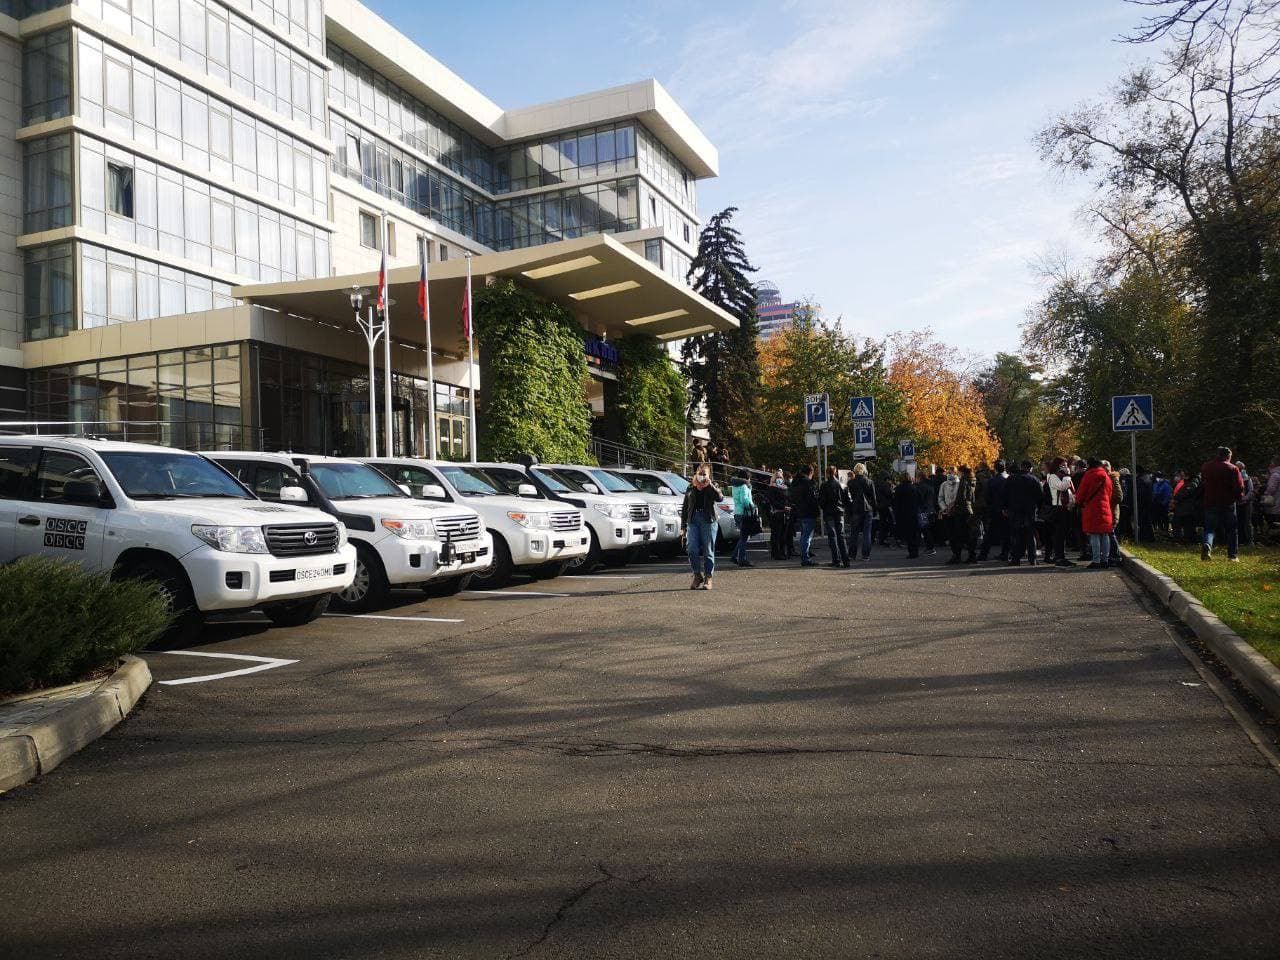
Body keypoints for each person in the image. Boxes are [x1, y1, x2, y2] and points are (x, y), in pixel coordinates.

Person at [681, 465, 722, 590]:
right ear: (696, 473)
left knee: (708, 550)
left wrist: (709, 485)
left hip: (708, 520)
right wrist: (683, 525)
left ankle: (708, 577)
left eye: (705, 474)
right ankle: (697, 575)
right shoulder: (691, 487)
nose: (702, 476)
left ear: (709, 475)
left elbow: (719, 497)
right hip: (693, 520)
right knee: (692, 548)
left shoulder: (713, 485)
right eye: (700, 473)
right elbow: (685, 507)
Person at [1200, 447, 1244, 562]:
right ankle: (1232, 556)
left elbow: (1203, 482)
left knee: (1209, 528)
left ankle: (1207, 544)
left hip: (1210, 502)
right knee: (1231, 529)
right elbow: (1239, 486)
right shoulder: (1233, 468)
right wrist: (1239, 498)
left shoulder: (1206, 466)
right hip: (1227, 502)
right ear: (1228, 456)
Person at [1076, 457, 1115, 569]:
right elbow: (1110, 492)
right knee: (1105, 534)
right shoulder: (1106, 476)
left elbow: (1082, 491)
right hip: (1105, 507)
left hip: (1092, 507)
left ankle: (1096, 560)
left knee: (1094, 534)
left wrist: (1078, 502)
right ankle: (1105, 560)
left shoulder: (1089, 475)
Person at [1004, 460, 1043, 566]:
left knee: (1016, 535)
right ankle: (1032, 559)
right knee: (1030, 535)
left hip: (1014, 510)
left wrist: (1004, 508)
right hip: (1029, 511)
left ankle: (1015, 559)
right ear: (1030, 468)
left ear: (1021, 467)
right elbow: (1040, 496)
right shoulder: (1034, 479)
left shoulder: (1011, 479)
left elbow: (1004, 495)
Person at [1046, 458, 1076, 567]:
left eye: (1067, 465)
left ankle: (1061, 557)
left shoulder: (1062, 477)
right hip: (1058, 508)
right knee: (1059, 534)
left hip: (1065, 508)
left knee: (1063, 534)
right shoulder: (1053, 476)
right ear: (1057, 465)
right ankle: (1059, 558)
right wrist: (1067, 475)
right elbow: (1063, 487)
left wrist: (1072, 502)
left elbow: (1070, 491)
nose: (1066, 467)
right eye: (1063, 465)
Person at [818, 466, 850, 567]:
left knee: (832, 536)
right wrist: (843, 507)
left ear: (827, 473)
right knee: (841, 535)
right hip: (839, 512)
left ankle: (836, 560)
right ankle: (846, 560)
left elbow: (821, 501)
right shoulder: (842, 485)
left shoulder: (824, 485)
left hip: (829, 513)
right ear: (835, 472)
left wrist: (825, 508)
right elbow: (848, 500)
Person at [846, 462, 878, 561]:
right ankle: (865, 555)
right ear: (864, 470)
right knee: (867, 533)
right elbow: (873, 498)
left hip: (856, 509)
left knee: (854, 533)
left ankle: (852, 554)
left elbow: (849, 497)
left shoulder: (851, 483)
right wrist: (875, 510)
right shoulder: (869, 482)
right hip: (867, 510)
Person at [790, 464, 820, 567]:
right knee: (807, 536)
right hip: (809, 512)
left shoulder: (795, 483)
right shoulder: (808, 483)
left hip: (799, 512)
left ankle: (805, 556)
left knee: (804, 535)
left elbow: (792, 498)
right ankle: (805, 558)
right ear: (810, 472)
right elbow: (813, 498)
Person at [946, 465, 978, 564]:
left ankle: (957, 556)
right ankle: (972, 555)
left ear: (962, 472)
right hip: (970, 509)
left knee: (958, 534)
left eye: (959, 472)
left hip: (961, 510)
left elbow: (961, 496)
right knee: (969, 534)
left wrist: (953, 505)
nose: (958, 474)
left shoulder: (964, 481)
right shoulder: (973, 480)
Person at [981, 460, 1009, 561]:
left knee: (990, 533)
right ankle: (1005, 553)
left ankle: (983, 554)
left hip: (994, 509)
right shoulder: (1008, 479)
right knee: (1006, 533)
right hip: (1006, 510)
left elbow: (987, 496)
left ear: (995, 469)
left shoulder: (992, 481)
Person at [729, 470, 756, 568]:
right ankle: (742, 559)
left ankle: (735, 556)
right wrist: (753, 506)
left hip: (737, 512)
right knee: (744, 537)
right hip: (745, 513)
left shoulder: (735, 486)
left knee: (743, 537)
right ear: (747, 478)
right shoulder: (744, 486)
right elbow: (744, 500)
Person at [894, 473, 921, 559]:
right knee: (914, 533)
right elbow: (920, 500)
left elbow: (896, 503)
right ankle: (915, 550)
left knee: (908, 534)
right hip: (914, 512)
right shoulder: (914, 488)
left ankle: (911, 551)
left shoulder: (898, 489)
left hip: (903, 514)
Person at [765, 474, 790, 561]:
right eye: (777, 477)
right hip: (776, 514)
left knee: (783, 535)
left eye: (780, 477)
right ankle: (776, 553)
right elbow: (772, 501)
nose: (779, 479)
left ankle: (782, 552)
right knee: (776, 535)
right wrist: (783, 507)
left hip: (785, 514)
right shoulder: (771, 489)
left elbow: (788, 499)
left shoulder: (785, 488)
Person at [914, 472, 938, 555]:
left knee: (925, 530)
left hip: (923, 511)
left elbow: (919, 499)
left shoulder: (920, 487)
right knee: (928, 529)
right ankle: (929, 547)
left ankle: (930, 548)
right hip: (930, 509)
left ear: (919, 477)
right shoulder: (930, 486)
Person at [1236, 462, 1254, 547]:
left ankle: (1249, 541)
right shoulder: (1234, 477)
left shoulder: (1248, 479)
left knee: (1247, 522)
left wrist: (1243, 499)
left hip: (1246, 504)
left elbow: (1251, 491)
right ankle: (1240, 540)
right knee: (1238, 522)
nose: (1240, 470)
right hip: (1237, 503)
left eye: (1241, 468)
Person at [1152, 472, 1173, 536]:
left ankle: (1166, 530)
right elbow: (1154, 492)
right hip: (1156, 503)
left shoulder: (1166, 484)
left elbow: (1168, 495)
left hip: (1163, 504)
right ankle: (1160, 529)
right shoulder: (1156, 484)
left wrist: (1164, 503)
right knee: (1158, 517)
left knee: (1164, 517)